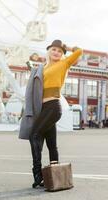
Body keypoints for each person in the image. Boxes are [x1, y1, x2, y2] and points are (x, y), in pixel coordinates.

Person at [19, 40, 83, 188]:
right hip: (43, 108)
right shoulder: (42, 68)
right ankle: (56, 178)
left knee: (34, 135)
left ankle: (38, 175)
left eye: (60, 51)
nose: (56, 52)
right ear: (48, 51)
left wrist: (67, 47)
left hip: (53, 107)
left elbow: (79, 51)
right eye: (54, 49)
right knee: (51, 144)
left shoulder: (64, 64)